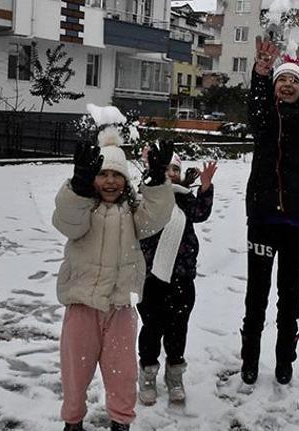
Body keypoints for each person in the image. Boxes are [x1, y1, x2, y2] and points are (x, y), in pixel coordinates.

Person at [52, 104, 174, 431]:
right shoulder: (83, 209)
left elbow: (157, 217)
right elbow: (66, 220)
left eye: (116, 175)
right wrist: (78, 187)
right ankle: (72, 421)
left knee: (122, 372)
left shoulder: (133, 214)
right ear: (93, 179)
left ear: (125, 180)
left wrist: (159, 180)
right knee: (75, 371)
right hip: (82, 305)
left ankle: (121, 422)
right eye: (103, 174)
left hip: (121, 307)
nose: (109, 181)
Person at [239, 28, 299, 386]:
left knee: (289, 296)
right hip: (262, 218)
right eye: (283, 81)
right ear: (275, 87)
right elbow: (256, 105)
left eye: (294, 81)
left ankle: (284, 361)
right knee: (256, 295)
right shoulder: (263, 123)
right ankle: (250, 358)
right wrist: (261, 73)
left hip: (296, 221)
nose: (288, 85)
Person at [137, 154, 218, 406]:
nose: (170, 172)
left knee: (177, 329)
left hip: (181, 277)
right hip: (151, 279)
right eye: (166, 167)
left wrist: (205, 188)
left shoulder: (184, 197)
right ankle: (148, 374)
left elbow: (200, 213)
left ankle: (174, 375)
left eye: (175, 168)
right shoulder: (145, 198)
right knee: (151, 329)